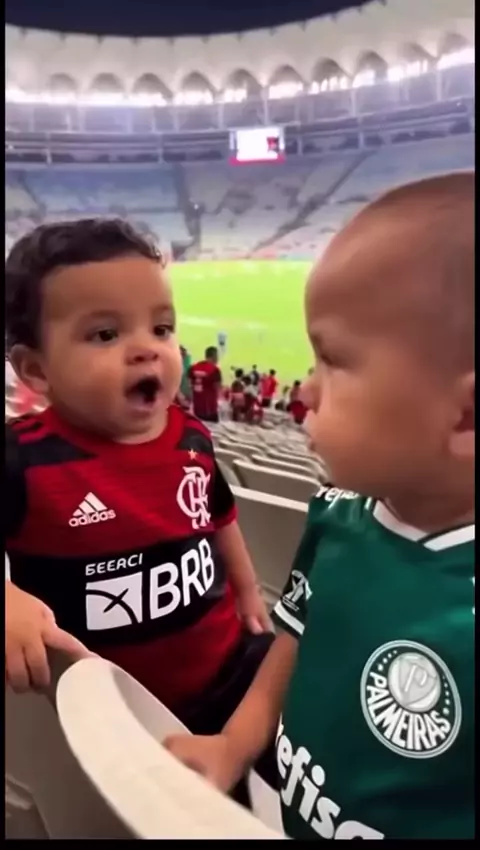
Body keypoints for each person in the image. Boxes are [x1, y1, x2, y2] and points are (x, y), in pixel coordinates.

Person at [165, 174, 474, 839]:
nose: (304, 390)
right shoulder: (336, 514)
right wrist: (234, 745)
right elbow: (294, 642)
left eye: (331, 361)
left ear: (466, 415)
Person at [4, 219, 275, 784]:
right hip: (120, 715)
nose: (146, 349)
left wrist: (249, 590)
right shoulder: (23, 460)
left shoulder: (191, 435)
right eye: (106, 334)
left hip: (230, 670)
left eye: (161, 327)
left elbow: (220, 517)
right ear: (36, 370)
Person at [189, 346, 222, 424]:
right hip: (210, 408)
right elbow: (217, 387)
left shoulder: (193, 368)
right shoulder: (214, 370)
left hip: (197, 408)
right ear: (214, 356)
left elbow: (190, 384)